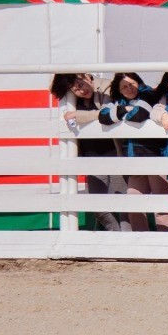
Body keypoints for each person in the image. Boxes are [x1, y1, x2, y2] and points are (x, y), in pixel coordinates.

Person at [50, 72, 121, 232]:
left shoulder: (107, 87)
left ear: (87, 76)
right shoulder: (71, 100)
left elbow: (107, 114)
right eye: (76, 89)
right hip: (92, 156)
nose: (81, 91)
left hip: (115, 153)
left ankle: (128, 239)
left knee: (123, 202)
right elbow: (52, 88)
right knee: (97, 206)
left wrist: (78, 115)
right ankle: (117, 234)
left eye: (81, 85)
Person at [99, 72, 168, 232]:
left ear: (139, 83)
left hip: (154, 157)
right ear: (119, 90)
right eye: (124, 86)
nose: (129, 88)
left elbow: (138, 114)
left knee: (161, 205)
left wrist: (120, 113)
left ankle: (166, 239)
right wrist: (126, 108)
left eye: (132, 84)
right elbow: (103, 116)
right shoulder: (118, 101)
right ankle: (141, 240)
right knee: (133, 202)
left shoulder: (149, 94)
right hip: (133, 160)